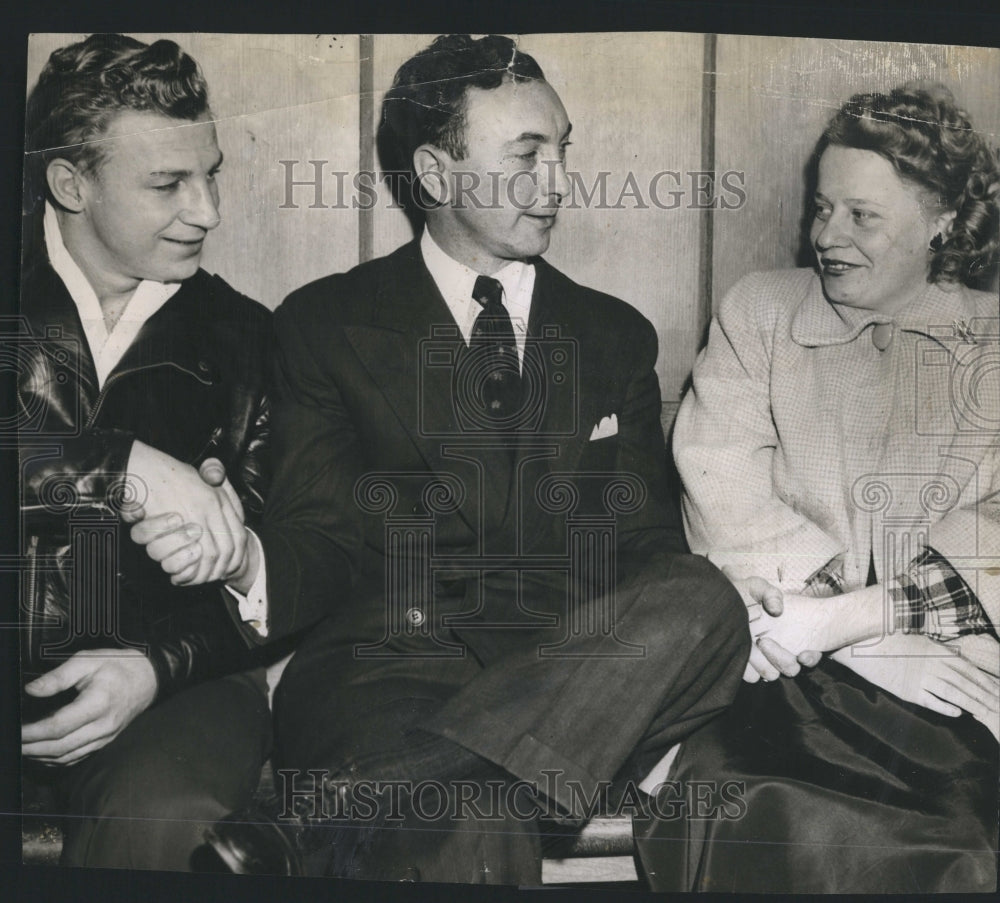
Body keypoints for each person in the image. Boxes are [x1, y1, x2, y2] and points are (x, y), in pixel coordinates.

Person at [134, 34, 761, 884]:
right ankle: (417, 780)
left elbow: (644, 543)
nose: (560, 184)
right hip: (387, 671)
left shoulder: (614, 335)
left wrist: (714, 602)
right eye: (527, 156)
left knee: (705, 595)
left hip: (575, 678)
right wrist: (247, 557)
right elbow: (318, 539)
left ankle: (332, 807)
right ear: (435, 174)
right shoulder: (324, 324)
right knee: (471, 822)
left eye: (564, 150)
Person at [658, 83, 1000, 892]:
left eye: (862, 215)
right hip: (785, 658)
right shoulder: (762, 312)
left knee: (963, 846)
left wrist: (878, 616)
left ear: (942, 221)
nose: (826, 236)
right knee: (767, 814)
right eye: (822, 208)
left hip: (962, 660)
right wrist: (857, 637)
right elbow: (723, 491)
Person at [17, 34, 275, 871]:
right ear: (69, 183)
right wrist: (119, 465)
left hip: (172, 689)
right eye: (168, 184)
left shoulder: (250, 340)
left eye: (212, 174)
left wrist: (157, 667)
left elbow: (292, 574)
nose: (208, 212)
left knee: (167, 824)